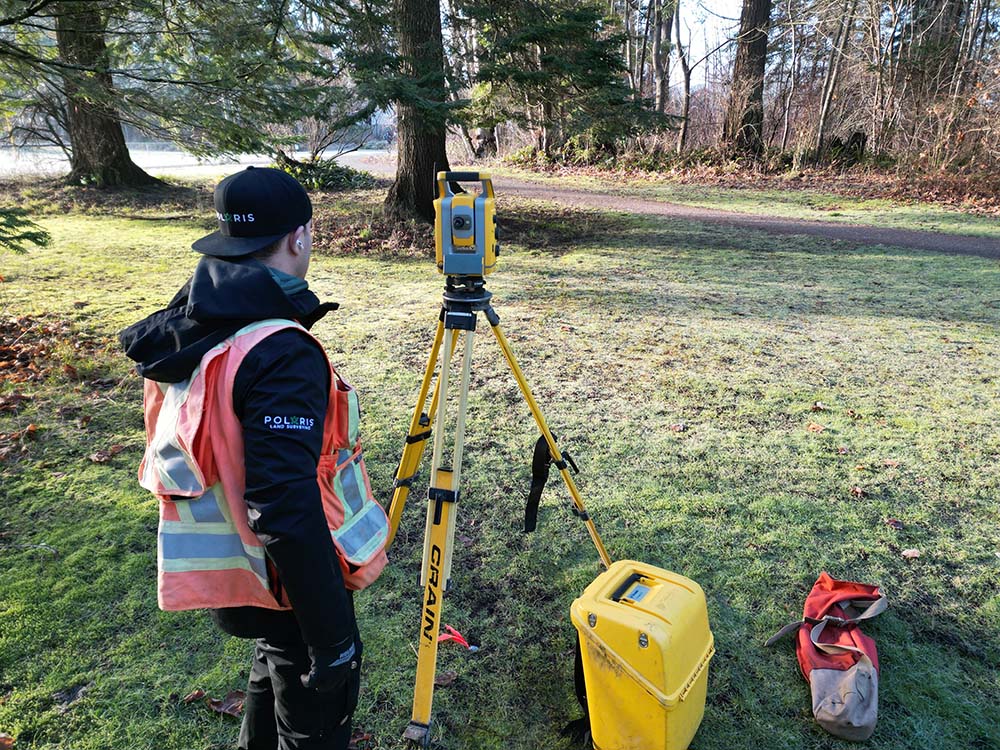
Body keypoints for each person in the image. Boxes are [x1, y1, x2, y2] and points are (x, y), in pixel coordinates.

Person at [120, 167, 388, 750]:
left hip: (237, 579)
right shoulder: (278, 352)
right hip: (284, 584)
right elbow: (282, 503)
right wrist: (332, 634)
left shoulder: (196, 322)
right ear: (300, 237)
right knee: (312, 719)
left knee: (275, 664)